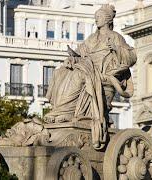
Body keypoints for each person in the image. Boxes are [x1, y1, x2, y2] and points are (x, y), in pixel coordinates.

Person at [44, 4, 137, 149]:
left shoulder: (115, 37)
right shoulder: (91, 38)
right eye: (95, 17)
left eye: (98, 17)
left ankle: (65, 113)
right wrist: (72, 57)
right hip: (87, 67)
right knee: (61, 72)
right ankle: (58, 111)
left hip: (102, 74)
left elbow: (131, 57)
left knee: (80, 75)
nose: (96, 20)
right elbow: (80, 52)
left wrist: (117, 49)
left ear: (107, 19)